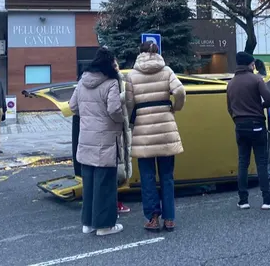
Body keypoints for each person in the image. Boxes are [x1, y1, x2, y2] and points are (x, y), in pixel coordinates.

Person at [125, 41, 185, 232]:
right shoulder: (167, 71)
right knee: (167, 176)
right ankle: (169, 219)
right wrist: (175, 108)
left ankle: (152, 218)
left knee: (147, 177)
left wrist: (131, 121)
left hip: (143, 130)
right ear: (158, 52)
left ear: (139, 52)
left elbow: (128, 103)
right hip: (166, 128)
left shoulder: (132, 76)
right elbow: (180, 91)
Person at [70, 48, 126, 236]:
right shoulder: (111, 84)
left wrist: (87, 117)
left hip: (86, 139)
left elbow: (73, 106)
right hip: (105, 140)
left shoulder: (82, 82)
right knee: (105, 185)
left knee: (90, 183)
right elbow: (114, 110)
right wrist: (121, 121)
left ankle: (88, 223)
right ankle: (104, 225)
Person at [227, 52, 270, 210]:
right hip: (256, 124)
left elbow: (229, 108)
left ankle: (243, 200)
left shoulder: (231, 83)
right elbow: (269, 99)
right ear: (251, 64)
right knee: (261, 162)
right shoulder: (256, 79)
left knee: (243, 162)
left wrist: (238, 118)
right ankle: (267, 199)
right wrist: (259, 107)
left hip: (240, 125)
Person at [114, 59, 133, 214]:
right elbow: (113, 106)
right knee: (116, 166)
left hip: (119, 129)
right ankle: (114, 203)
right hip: (115, 129)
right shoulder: (112, 82)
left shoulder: (121, 79)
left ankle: (116, 202)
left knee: (119, 165)